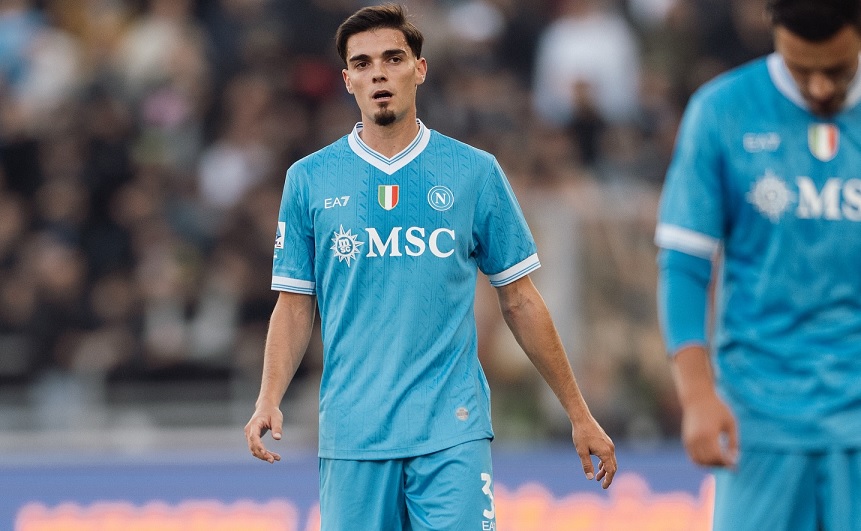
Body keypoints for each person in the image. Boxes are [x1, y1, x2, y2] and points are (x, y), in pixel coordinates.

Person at [244, 3, 617, 530]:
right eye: (363, 63)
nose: (379, 73)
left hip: (451, 429)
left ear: (419, 69)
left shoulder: (474, 173)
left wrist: (578, 412)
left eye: (393, 58)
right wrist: (269, 397)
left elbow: (520, 300)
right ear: (348, 80)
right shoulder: (309, 180)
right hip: (354, 433)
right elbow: (294, 304)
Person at [655, 0, 861, 529]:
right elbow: (684, 263)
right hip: (761, 417)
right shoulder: (723, 111)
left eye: (837, 70)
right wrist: (697, 395)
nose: (819, 87)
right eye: (801, 69)